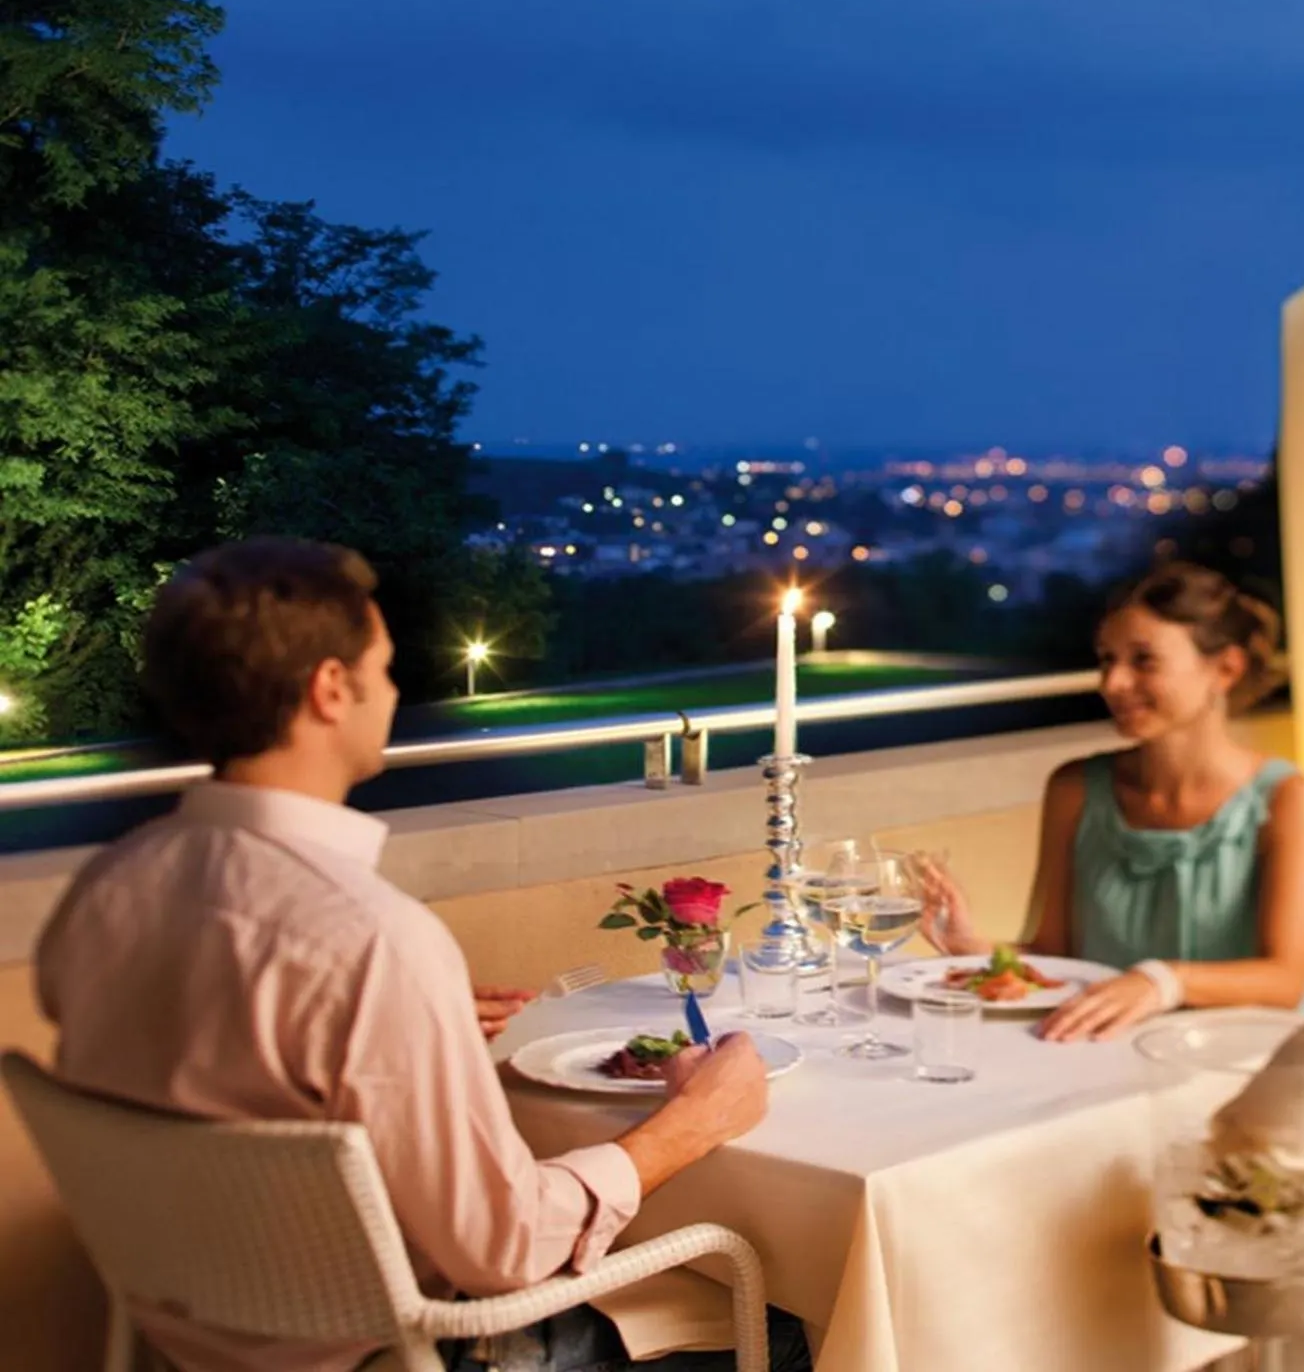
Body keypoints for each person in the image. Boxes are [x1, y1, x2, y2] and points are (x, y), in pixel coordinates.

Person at [35, 538, 810, 1372]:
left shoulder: (110, 889)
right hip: (406, 1352)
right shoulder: (369, 939)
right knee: (802, 1319)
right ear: (331, 688)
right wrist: (693, 1125)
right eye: (385, 667)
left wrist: (386, 1036)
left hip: (191, 1345)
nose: (396, 692)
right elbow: (502, 1250)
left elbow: (204, 1074)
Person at [921, 561, 1304, 1041]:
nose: (1113, 684)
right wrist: (979, 950)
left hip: (1243, 1060)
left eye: (1143, 660)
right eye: (1106, 660)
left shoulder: (1286, 799)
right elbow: (1058, 957)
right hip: (1111, 1056)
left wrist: (1161, 982)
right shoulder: (1075, 789)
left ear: (1226, 669)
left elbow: (1286, 980)